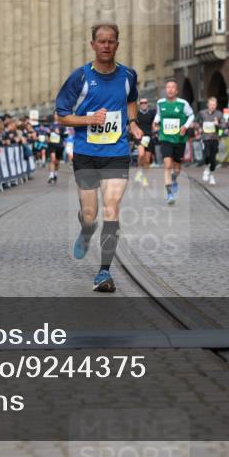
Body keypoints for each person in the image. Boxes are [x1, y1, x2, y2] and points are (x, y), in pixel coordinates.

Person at [54, 23, 142, 293]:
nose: (106, 46)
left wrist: (134, 122)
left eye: (111, 41)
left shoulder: (128, 75)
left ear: (117, 44)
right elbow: (61, 115)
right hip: (86, 154)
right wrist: (88, 119)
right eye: (101, 41)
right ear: (92, 44)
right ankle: (86, 229)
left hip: (116, 152)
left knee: (112, 209)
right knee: (91, 214)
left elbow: (131, 99)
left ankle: (104, 272)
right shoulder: (79, 77)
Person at [154, 80, 195, 205]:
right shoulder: (160, 103)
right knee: (167, 165)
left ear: (176, 91)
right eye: (168, 88)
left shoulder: (183, 103)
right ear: (165, 90)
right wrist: (155, 122)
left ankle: (174, 177)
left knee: (177, 168)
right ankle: (169, 193)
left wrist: (185, 126)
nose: (170, 90)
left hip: (179, 139)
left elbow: (192, 115)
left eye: (173, 88)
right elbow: (159, 115)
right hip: (165, 137)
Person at [198, 96, 225, 186]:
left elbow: (224, 125)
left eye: (214, 105)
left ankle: (212, 175)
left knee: (213, 160)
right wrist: (199, 128)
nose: (212, 106)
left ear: (216, 105)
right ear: (208, 105)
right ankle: (206, 169)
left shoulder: (219, 114)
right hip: (205, 138)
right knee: (206, 155)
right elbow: (196, 122)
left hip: (214, 138)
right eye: (211, 105)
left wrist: (218, 124)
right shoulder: (202, 113)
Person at [133, 97, 157, 187]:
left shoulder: (151, 113)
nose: (144, 104)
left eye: (145, 102)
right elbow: (132, 124)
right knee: (141, 154)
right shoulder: (136, 114)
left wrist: (156, 129)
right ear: (139, 104)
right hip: (139, 137)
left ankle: (144, 177)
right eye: (142, 103)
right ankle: (139, 171)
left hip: (149, 137)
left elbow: (155, 124)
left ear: (147, 103)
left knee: (147, 161)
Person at [47, 117, 68, 184]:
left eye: (57, 114)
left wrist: (59, 133)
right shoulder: (51, 125)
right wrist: (47, 139)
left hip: (60, 145)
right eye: (55, 114)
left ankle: (55, 174)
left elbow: (66, 135)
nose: (56, 115)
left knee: (57, 162)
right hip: (52, 145)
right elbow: (47, 134)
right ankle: (51, 176)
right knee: (52, 160)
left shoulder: (63, 125)